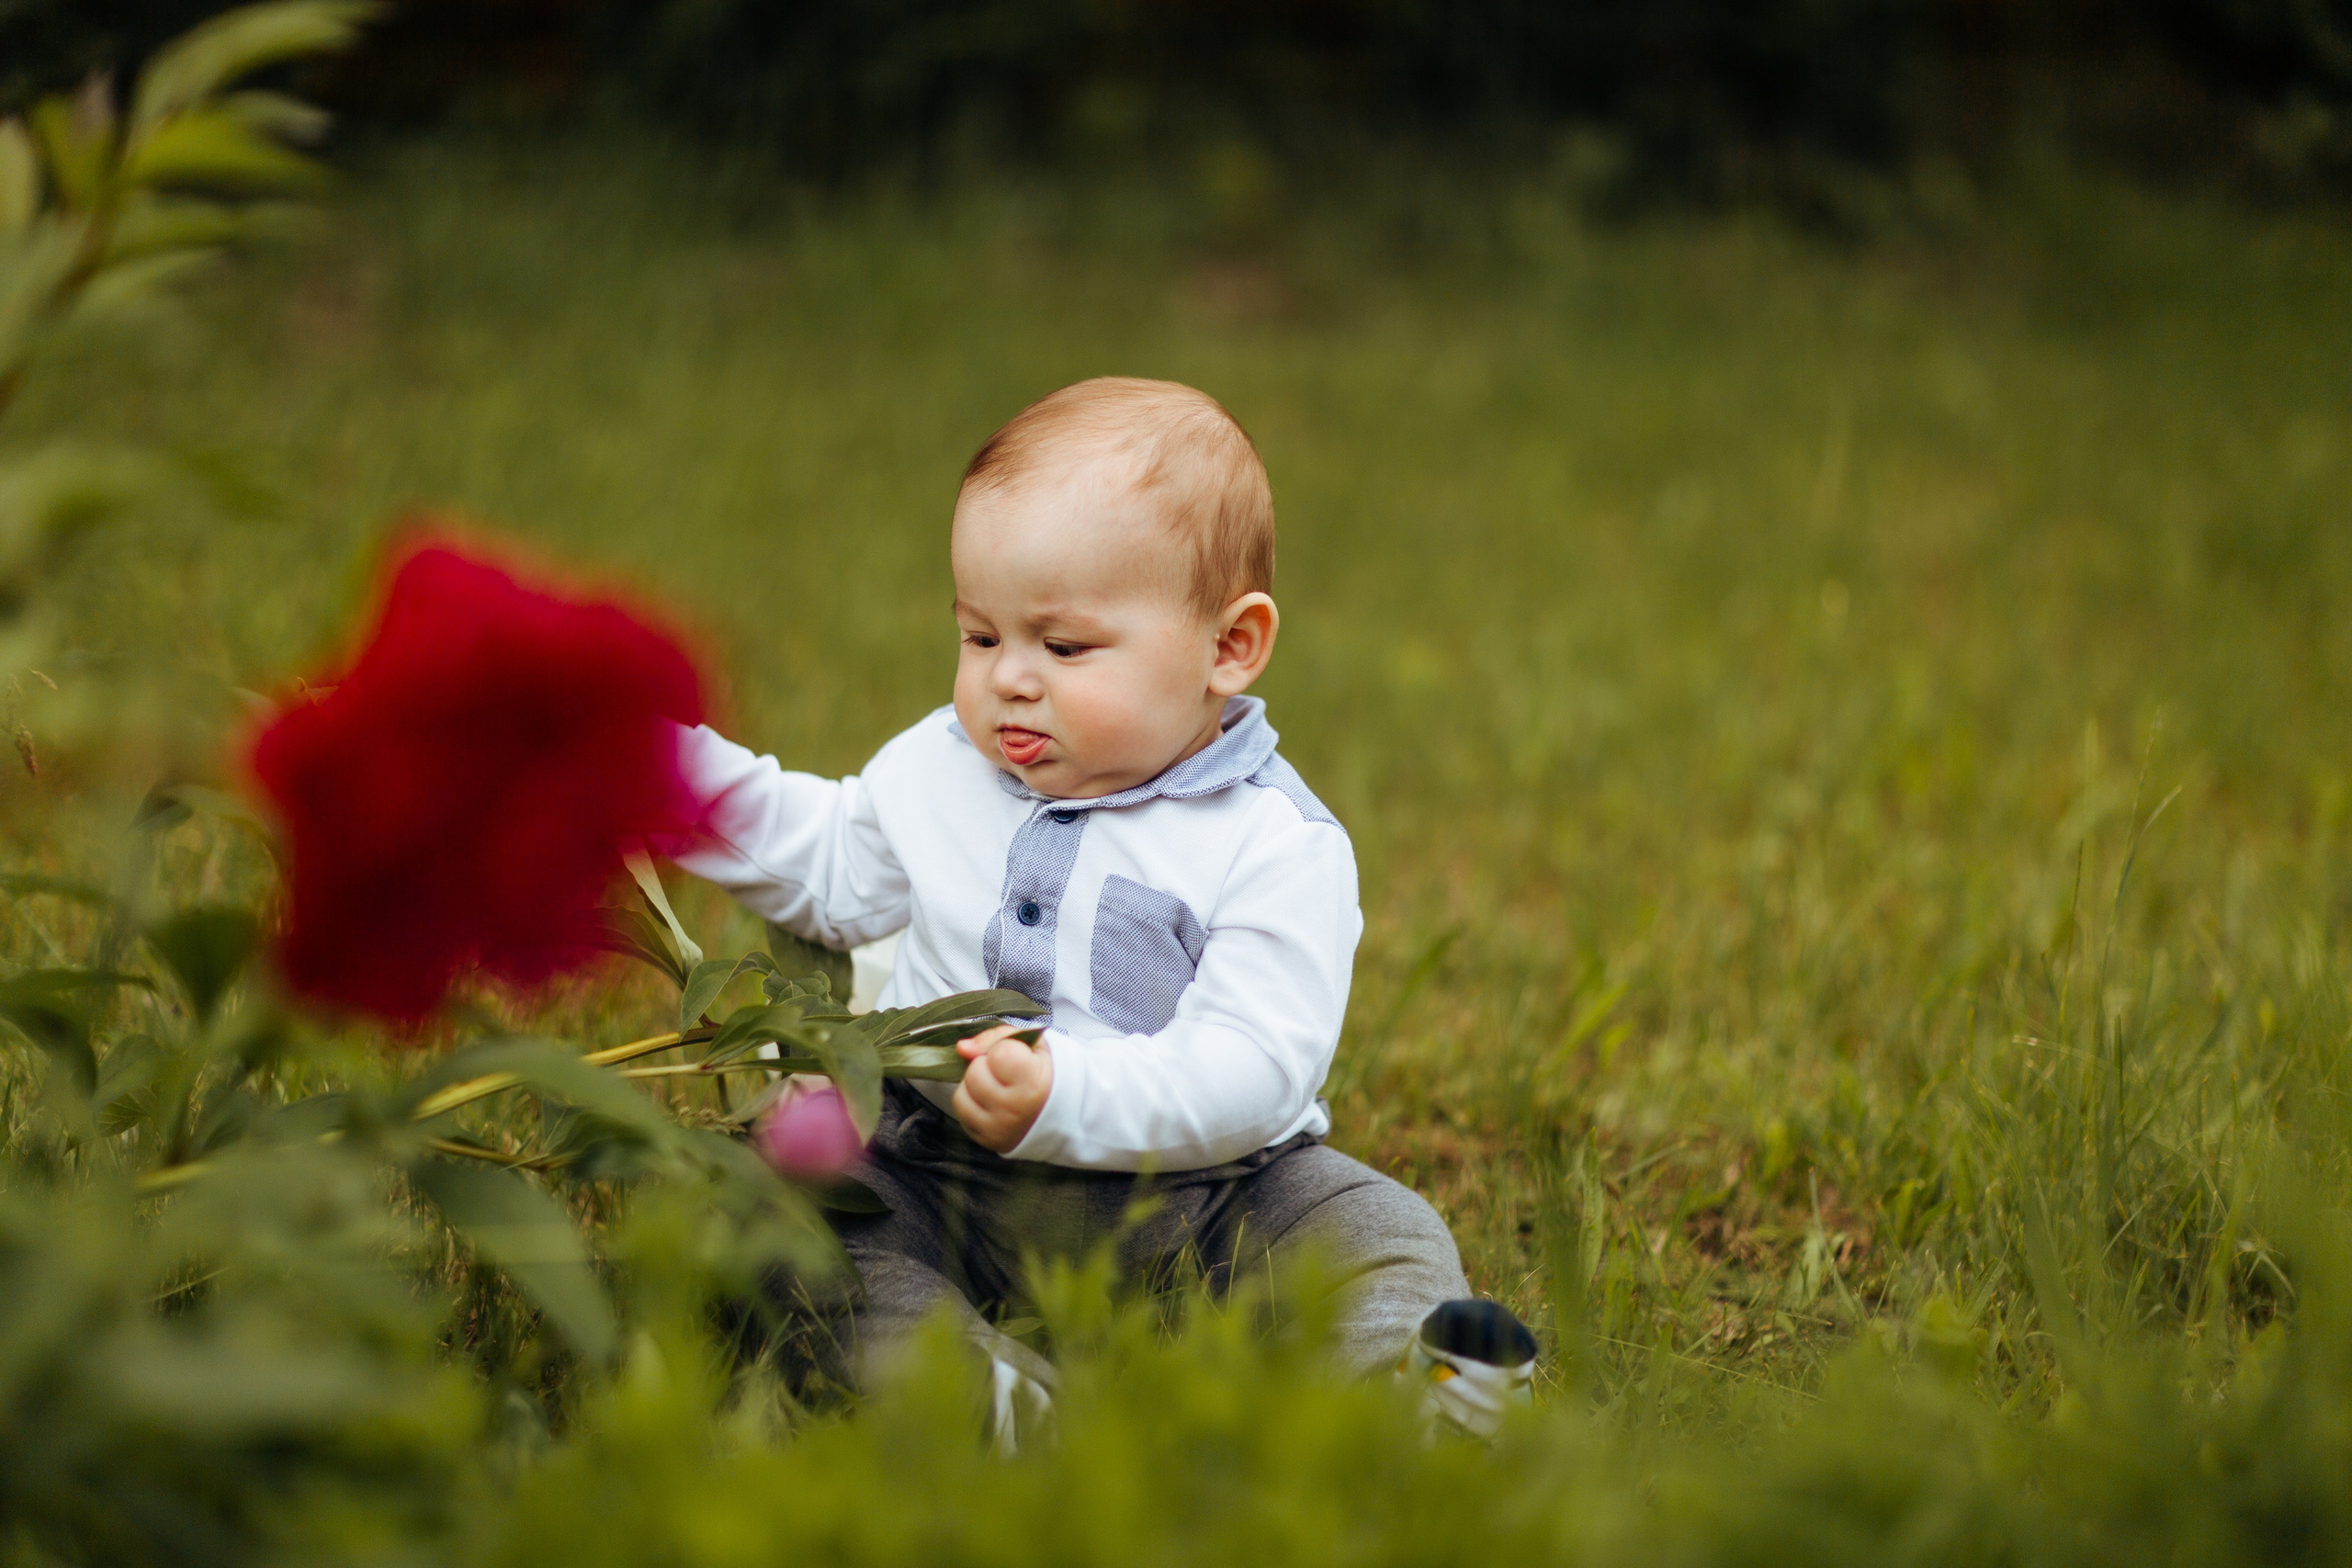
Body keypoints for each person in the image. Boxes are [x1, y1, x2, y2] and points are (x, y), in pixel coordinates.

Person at [668, 377, 1535, 1438]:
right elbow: (826, 863)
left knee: (1373, 1229)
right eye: (980, 637)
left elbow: (1258, 1066)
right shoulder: (940, 769)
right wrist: (655, 771)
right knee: (795, 1214)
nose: (1007, 682)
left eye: (1063, 647)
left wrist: (1066, 1093)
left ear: (1229, 648)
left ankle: (1417, 1398)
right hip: (940, 1171)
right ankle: (972, 1394)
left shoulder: (1271, 841)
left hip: (1208, 1196)